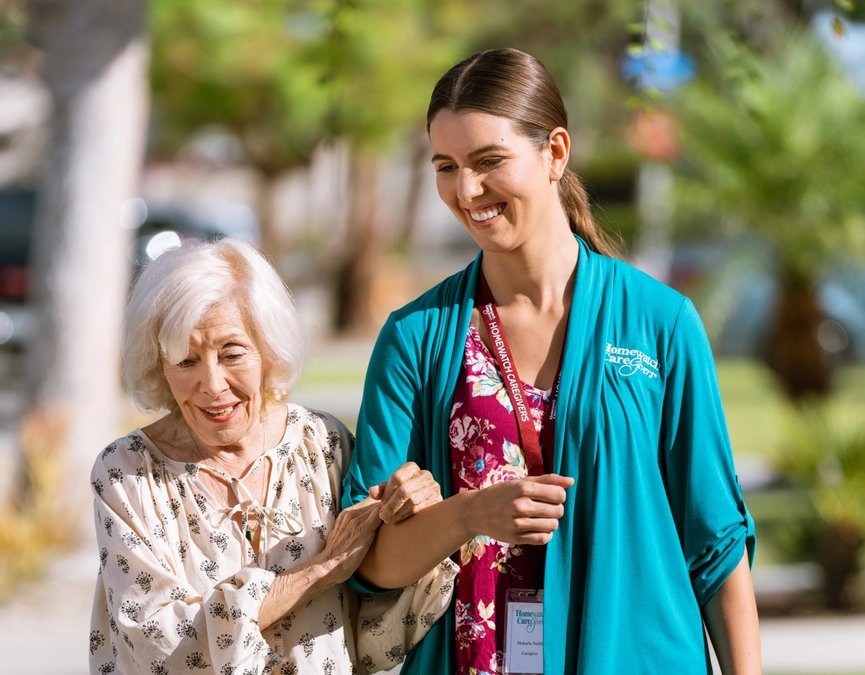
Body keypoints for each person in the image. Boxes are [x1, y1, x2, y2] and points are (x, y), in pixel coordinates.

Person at [343, 47, 760, 674]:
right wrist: (471, 513)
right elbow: (369, 561)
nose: (466, 190)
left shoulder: (660, 322)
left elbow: (717, 545)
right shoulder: (415, 338)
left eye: (488, 161)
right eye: (446, 166)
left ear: (555, 153)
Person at [89, 238, 454, 674]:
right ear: (158, 365)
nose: (212, 384)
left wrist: (422, 524)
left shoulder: (323, 443)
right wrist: (321, 569)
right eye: (186, 361)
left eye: (232, 353)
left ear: (268, 347)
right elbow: (165, 649)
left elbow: (368, 642)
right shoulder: (127, 472)